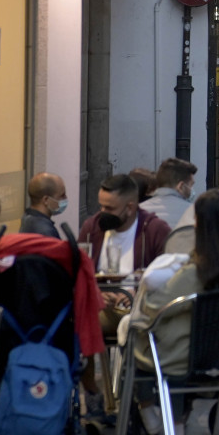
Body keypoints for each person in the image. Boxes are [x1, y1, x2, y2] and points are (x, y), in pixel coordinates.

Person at [130, 190, 219, 434]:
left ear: (198, 225)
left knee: (134, 334)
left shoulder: (192, 273)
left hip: (182, 359)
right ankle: (177, 419)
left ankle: (150, 409)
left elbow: (154, 308)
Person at [78, 173, 170, 416]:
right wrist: (96, 293)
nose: (102, 212)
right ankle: (92, 390)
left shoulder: (155, 230)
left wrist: (136, 289)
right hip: (100, 309)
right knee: (78, 320)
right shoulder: (92, 228)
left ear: (130, 207)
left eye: (109, 207)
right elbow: (78, 273)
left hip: (142, 310)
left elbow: (170, 274)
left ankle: (137, 397)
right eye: (101, 205)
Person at [139, 158, 198, 230]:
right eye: (191, 185)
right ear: (181, 186)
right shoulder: (193, 212)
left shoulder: (140, 210)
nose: (192, 190)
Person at [18, 172, 67, 239]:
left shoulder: (27, 218)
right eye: (62, 195)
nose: (65, 198)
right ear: (46, 200)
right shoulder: (45, 232)